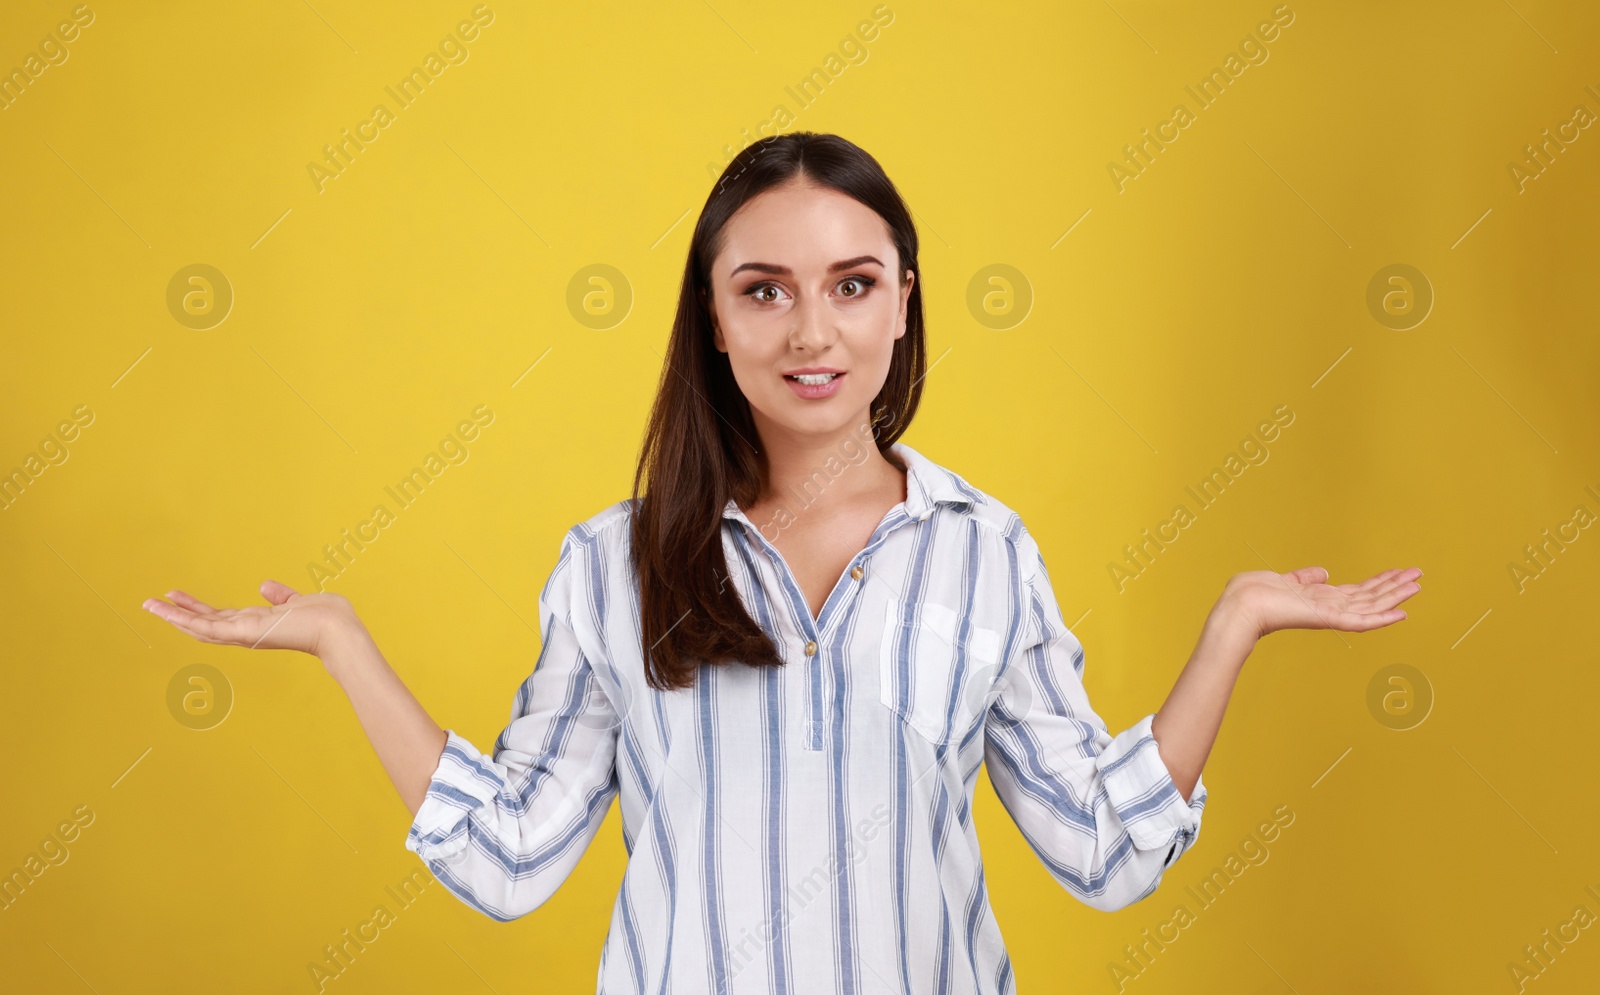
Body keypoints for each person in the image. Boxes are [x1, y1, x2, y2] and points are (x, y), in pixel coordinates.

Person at [141, 131, 1421, 993]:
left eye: (852, 284)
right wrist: (342, 645)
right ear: (711, 310)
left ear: (904, 299)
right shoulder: (614, 564)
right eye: (764, 290)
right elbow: (510, 857)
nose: (812, 329)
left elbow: (1103, 848)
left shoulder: (984, 552)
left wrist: (1234, 624)